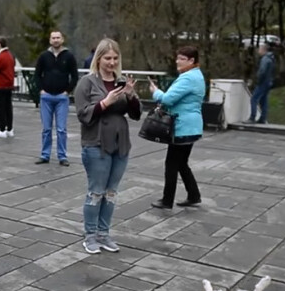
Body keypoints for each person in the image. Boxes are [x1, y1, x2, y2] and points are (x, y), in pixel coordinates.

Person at [74, 38, 141, 254]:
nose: (112, 62)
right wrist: (105, 103)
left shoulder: (121, 81)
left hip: (120, 144)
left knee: (111, 192)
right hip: (96, 143)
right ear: (99, 59)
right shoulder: (87, 82)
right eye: (107, 58)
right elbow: (83, 114)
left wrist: (131, 96)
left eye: (115, 58)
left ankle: (104, 234)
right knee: (96, 192)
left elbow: (136, 114)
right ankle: (90, 235)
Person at [149, 46, 206, 210]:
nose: (177, 61)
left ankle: (167, 200)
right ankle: (194, 195)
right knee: (182, 163)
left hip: (182, 127)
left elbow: (167, 100)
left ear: (191, 61)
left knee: (172, 163)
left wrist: (155, 92)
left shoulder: (187, 78)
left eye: (181, 58)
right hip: (192, 127)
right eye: (177, 57)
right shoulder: (197, 76)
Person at [34, 30, 79, 166]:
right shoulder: (44, 56)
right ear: (50, 40)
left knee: (61, 129)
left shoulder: (69, 56)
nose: (56, 40)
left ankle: (62, 156)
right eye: (53, 38)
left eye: (58, 38)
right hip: (46, 96)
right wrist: (41, 90)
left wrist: (67, 91)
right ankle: (45, 154)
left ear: (62, 39)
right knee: (46, 128)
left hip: (61, 97)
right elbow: (37, 74)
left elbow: (75, 76)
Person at [0, 36, 16, 139]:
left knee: (1, 108)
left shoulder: (0, 57)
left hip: (0, 85)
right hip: (9, 85)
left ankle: (2, 129)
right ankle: (10, 128)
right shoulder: (10, 56)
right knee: (8, 107)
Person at [246, 43, 275, 124]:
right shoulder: (271, 58)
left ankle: (252, 117)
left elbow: (262, 71)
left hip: (263, 82)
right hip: (268, 82)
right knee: (264, 100)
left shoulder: (265, 59)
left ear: (263, 50)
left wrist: (258, 80)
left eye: (259, 49)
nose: (258, 51)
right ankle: (263, 118)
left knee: (254, 99)